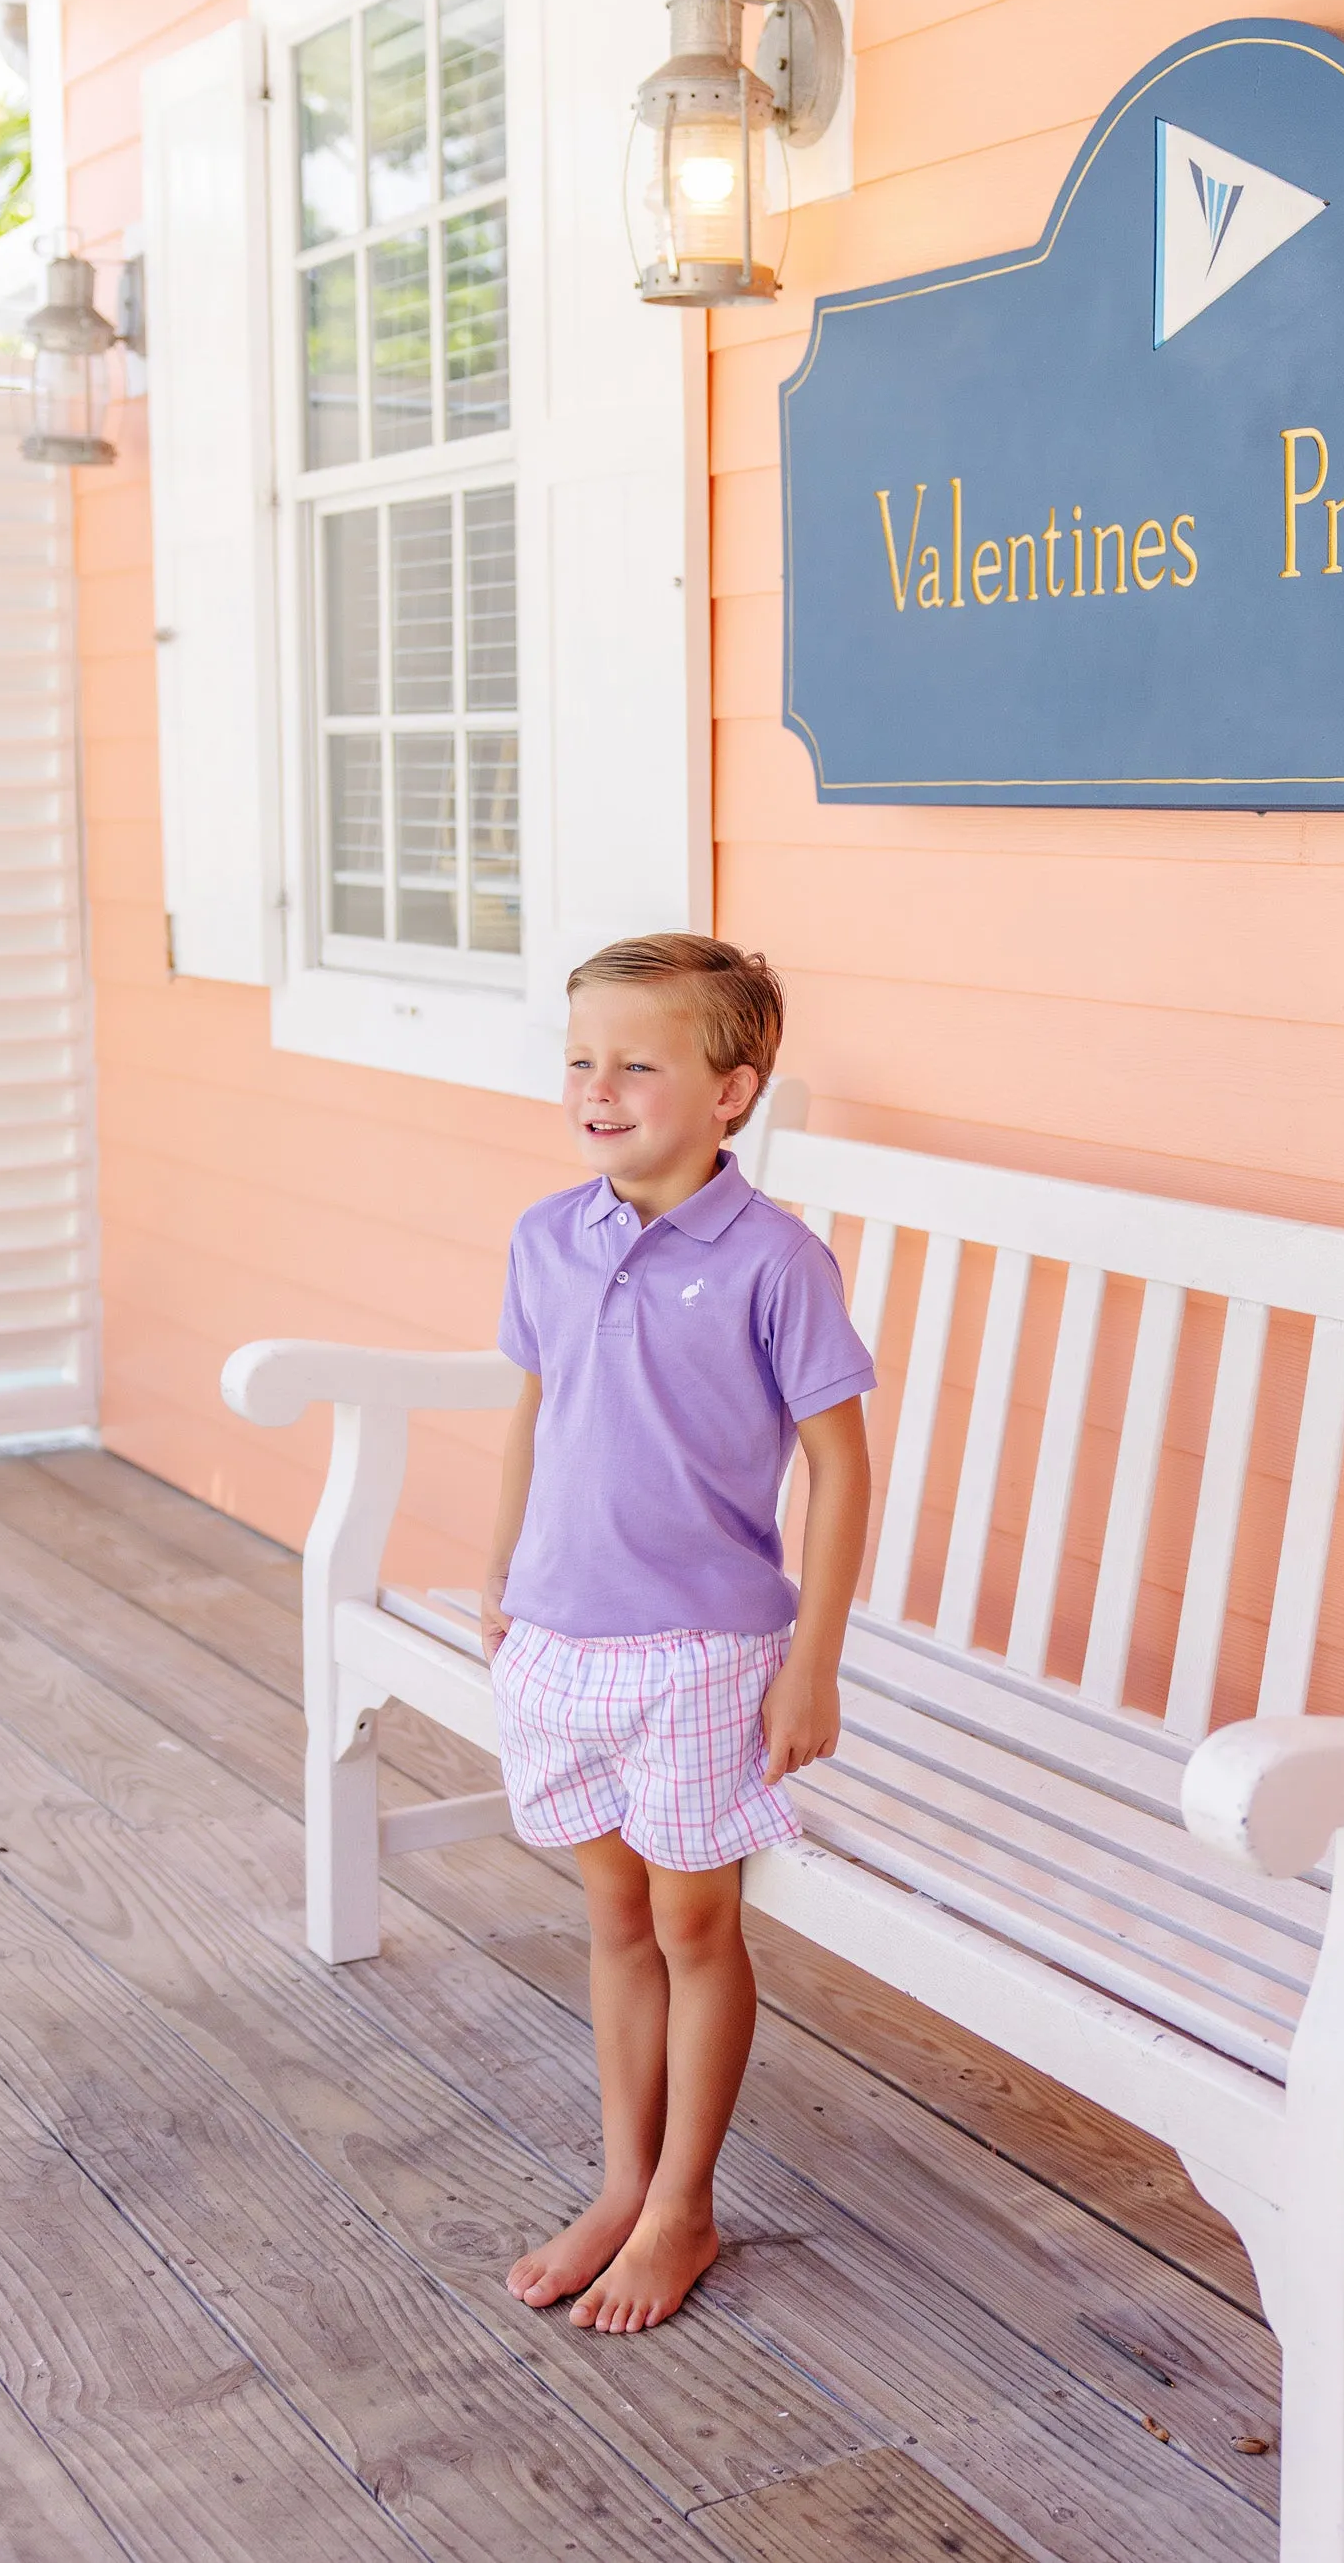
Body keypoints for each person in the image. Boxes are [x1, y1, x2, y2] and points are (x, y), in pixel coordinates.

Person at [482, 933, 874, 2333]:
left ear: (731, 1092)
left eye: (638, 1062)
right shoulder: (547, 1235)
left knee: (694, 1920)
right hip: (561, 1638)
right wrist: (502, 1573)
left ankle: (684, 2204)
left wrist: (812, 1660)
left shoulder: (775, 1262)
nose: (599, 1086)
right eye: (581, 1058)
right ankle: (622, 2179)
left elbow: (841, 1467)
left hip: (706, 1652)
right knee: (611, 1914)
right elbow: (538, 1410)